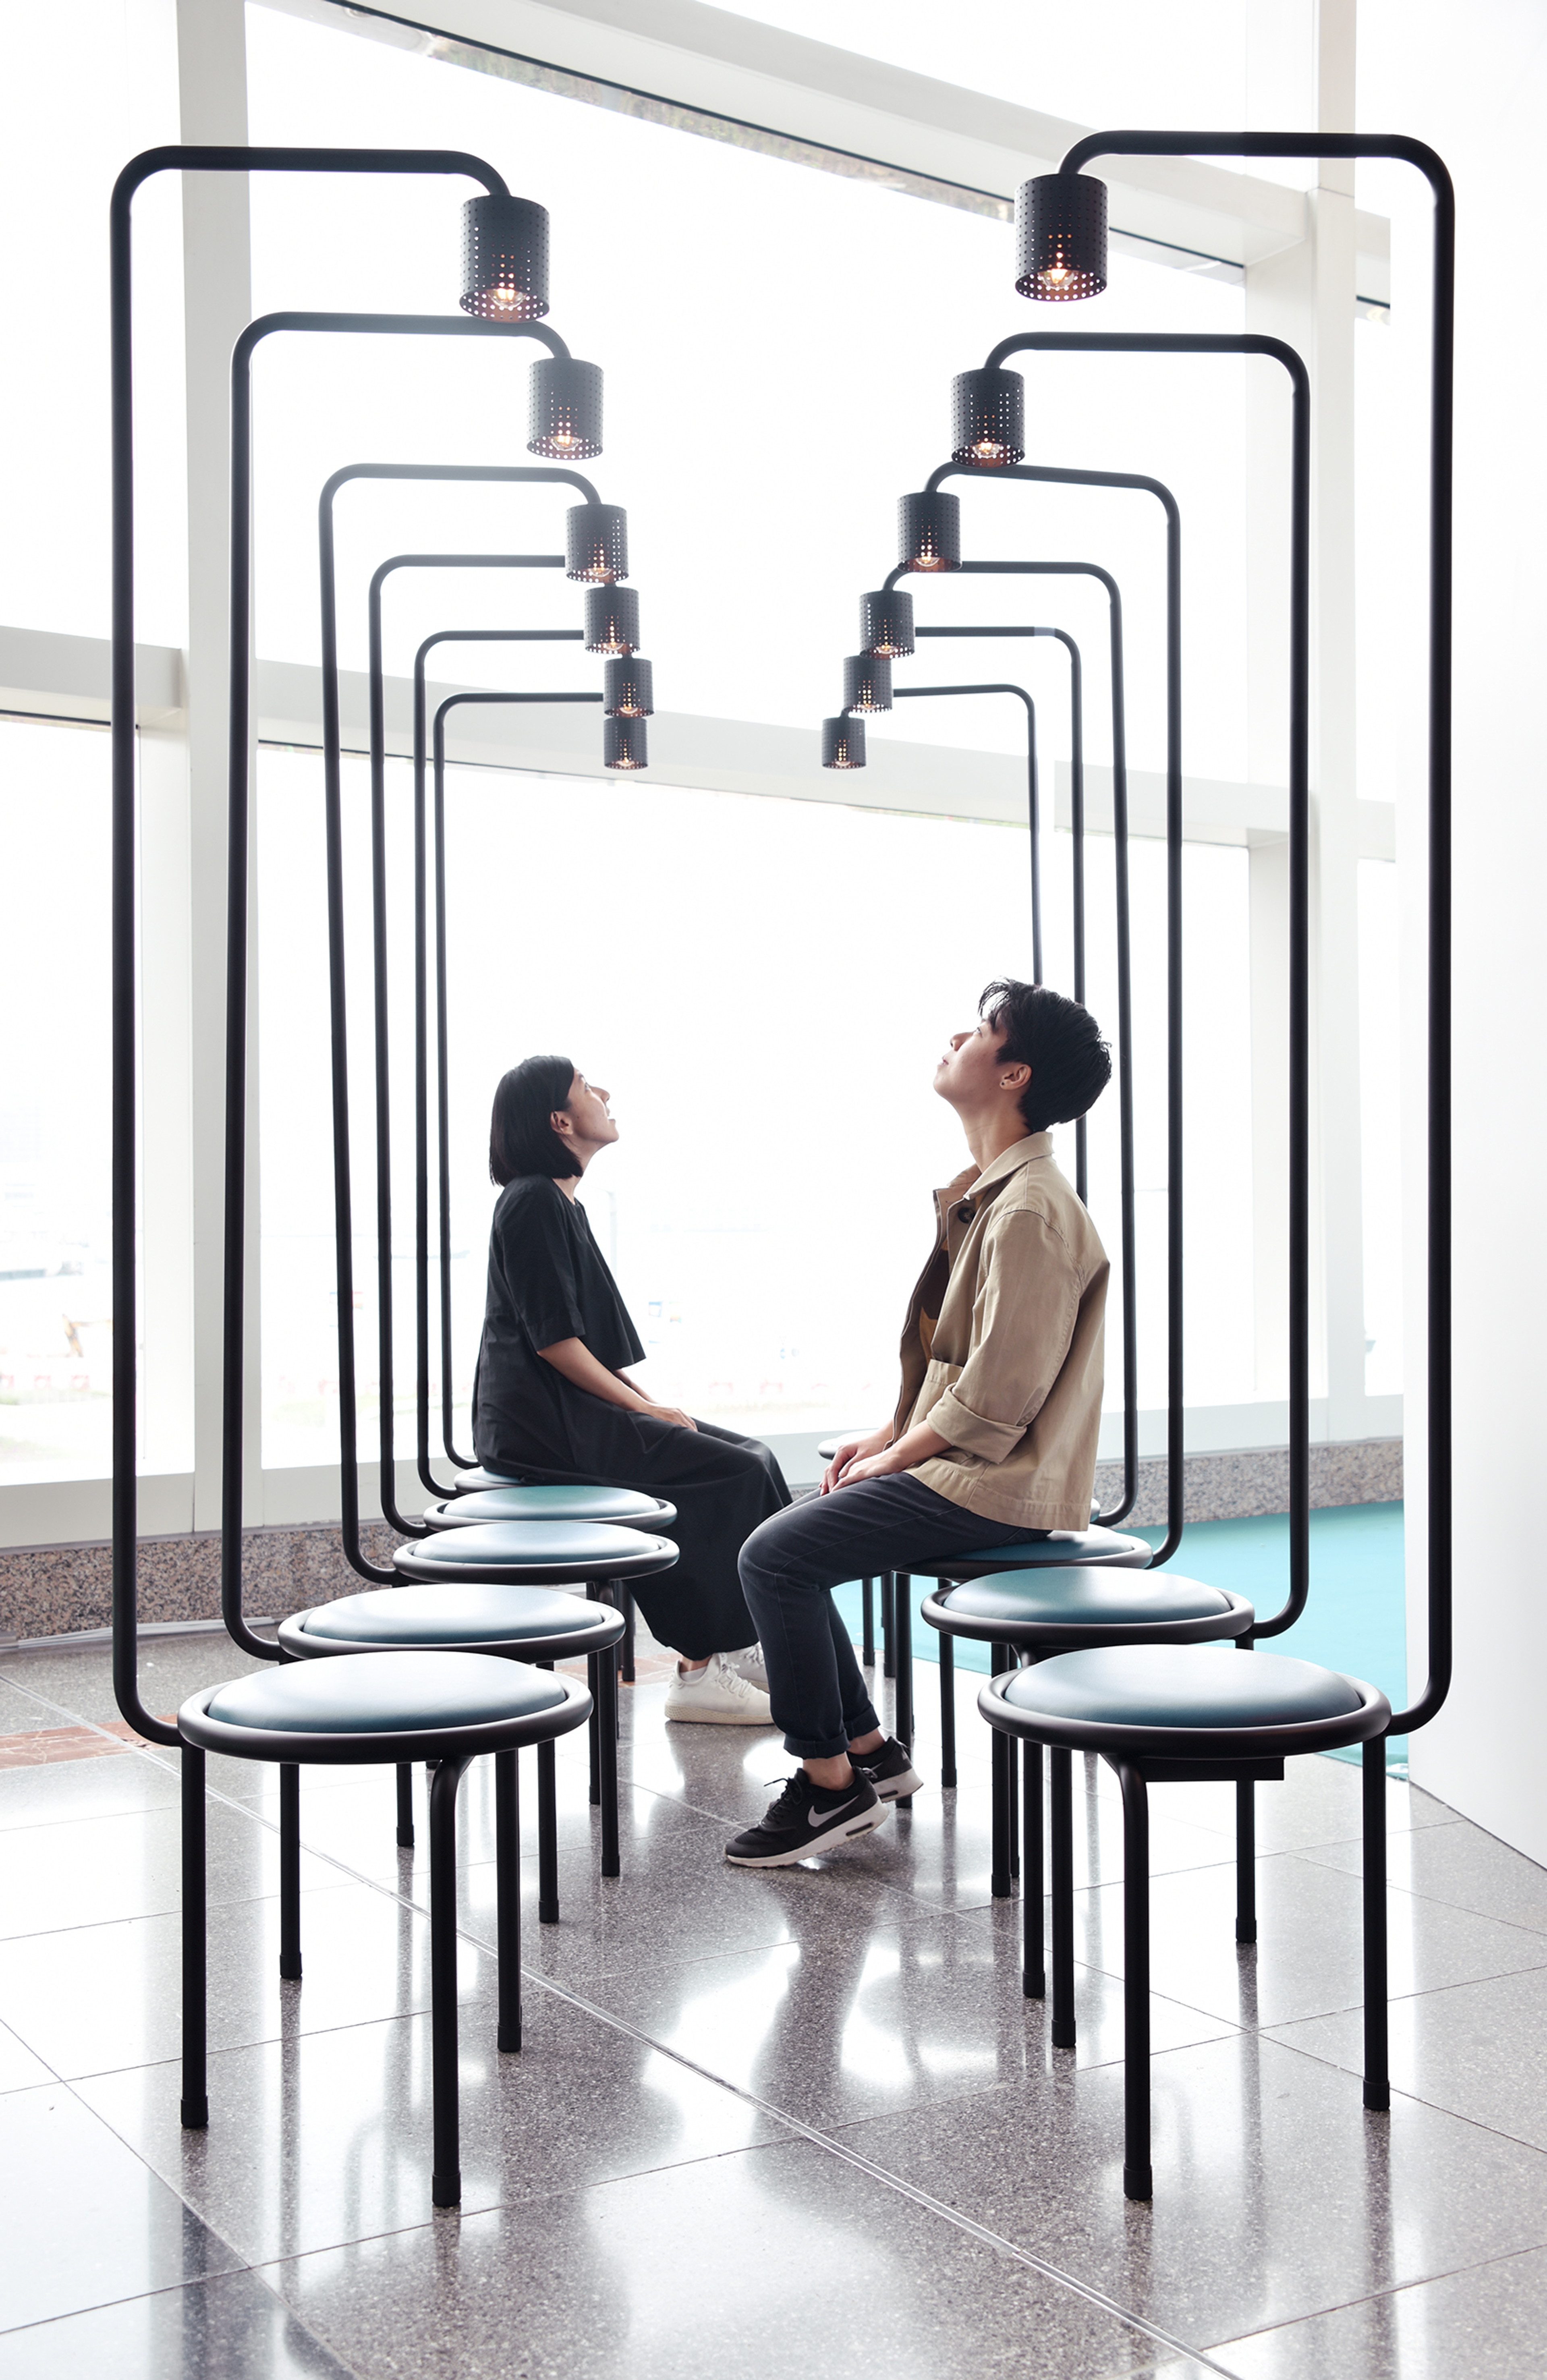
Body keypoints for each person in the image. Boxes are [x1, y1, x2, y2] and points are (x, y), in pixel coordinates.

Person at [726, 979, 1113, 1865]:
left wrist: (906, 1450)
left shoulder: (1028, 1211)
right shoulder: (997, 1194)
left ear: (1013, 1072)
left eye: (980, 1029)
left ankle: (829, 1785)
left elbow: (1001, 1393)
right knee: (788, 1541)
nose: (957, 1035)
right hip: (974, 1463)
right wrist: (890, 1430)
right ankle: (867, 1751)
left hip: (997, 1481)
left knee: (772, 1556)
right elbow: (966, 1361)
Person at [471, 1054, 787, 1723]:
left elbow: (582, 1345)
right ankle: (701, 1668)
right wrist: (643, 1409)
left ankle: (739, 1641)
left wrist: (648, 1407)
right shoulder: (531, 1201)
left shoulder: (559, 1203)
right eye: (587, 1087)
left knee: (753, 1459)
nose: (604, 1094)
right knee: (720, 1474)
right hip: (539, 1426)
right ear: (561, 1120)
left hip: (567, 1413)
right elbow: (553, 1342)